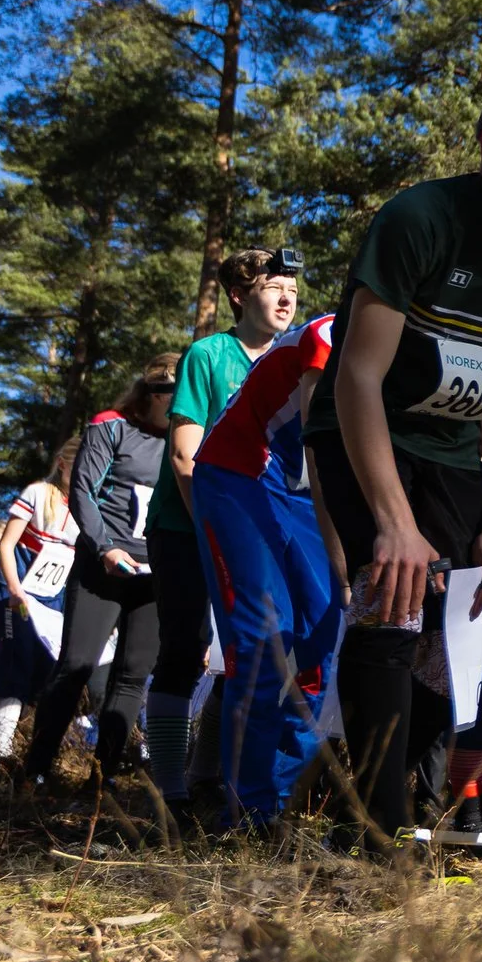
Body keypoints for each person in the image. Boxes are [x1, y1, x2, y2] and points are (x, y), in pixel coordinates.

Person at [305, 73, 482, 843]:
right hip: (365, 433)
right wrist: (393, 522)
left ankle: (379, 789)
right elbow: (357, 374)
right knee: (390, 594)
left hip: (456, 453)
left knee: (453, 636)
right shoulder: (418, 218)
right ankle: (374, 826)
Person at [141, 248, 300, 817]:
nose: (286, 298)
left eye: (292, 290)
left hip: (260, 534)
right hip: (186, 526)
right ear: (239, 296)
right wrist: (216, 532)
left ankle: (206, 777)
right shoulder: (209, 354)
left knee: (248, 655)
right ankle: (171, 792)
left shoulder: (296, 358)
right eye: (273, 287)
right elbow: (185, 457)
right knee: (184, 651)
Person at [194, 313, 342, 828]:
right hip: (241, 474)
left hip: (302, 496)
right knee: (261, 644)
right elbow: (325, 445)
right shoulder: (332, 331)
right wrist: (343, 554)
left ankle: (275, 802)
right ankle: (245, 814)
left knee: (327, 643)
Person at [21, 357, 177, 799]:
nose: (180, 404)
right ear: (150, 395)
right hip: (102, 567)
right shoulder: (110, 427)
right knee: (77, 666)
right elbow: (83, 491)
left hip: (154, 572)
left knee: (132, 676)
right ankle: (35, 771)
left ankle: (101, 774)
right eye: (171, 396)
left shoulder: (185, 439)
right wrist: (105, 547)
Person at [0, 439, 82, 759]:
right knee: (17, 661)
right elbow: (6, 544)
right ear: (62, 463)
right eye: (78, 464)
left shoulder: (86, 503)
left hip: (52, 599)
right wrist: (14, 589)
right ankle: (1, 749)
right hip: (15, 590)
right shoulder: (38, 493)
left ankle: (33, 749)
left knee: (48, 671)